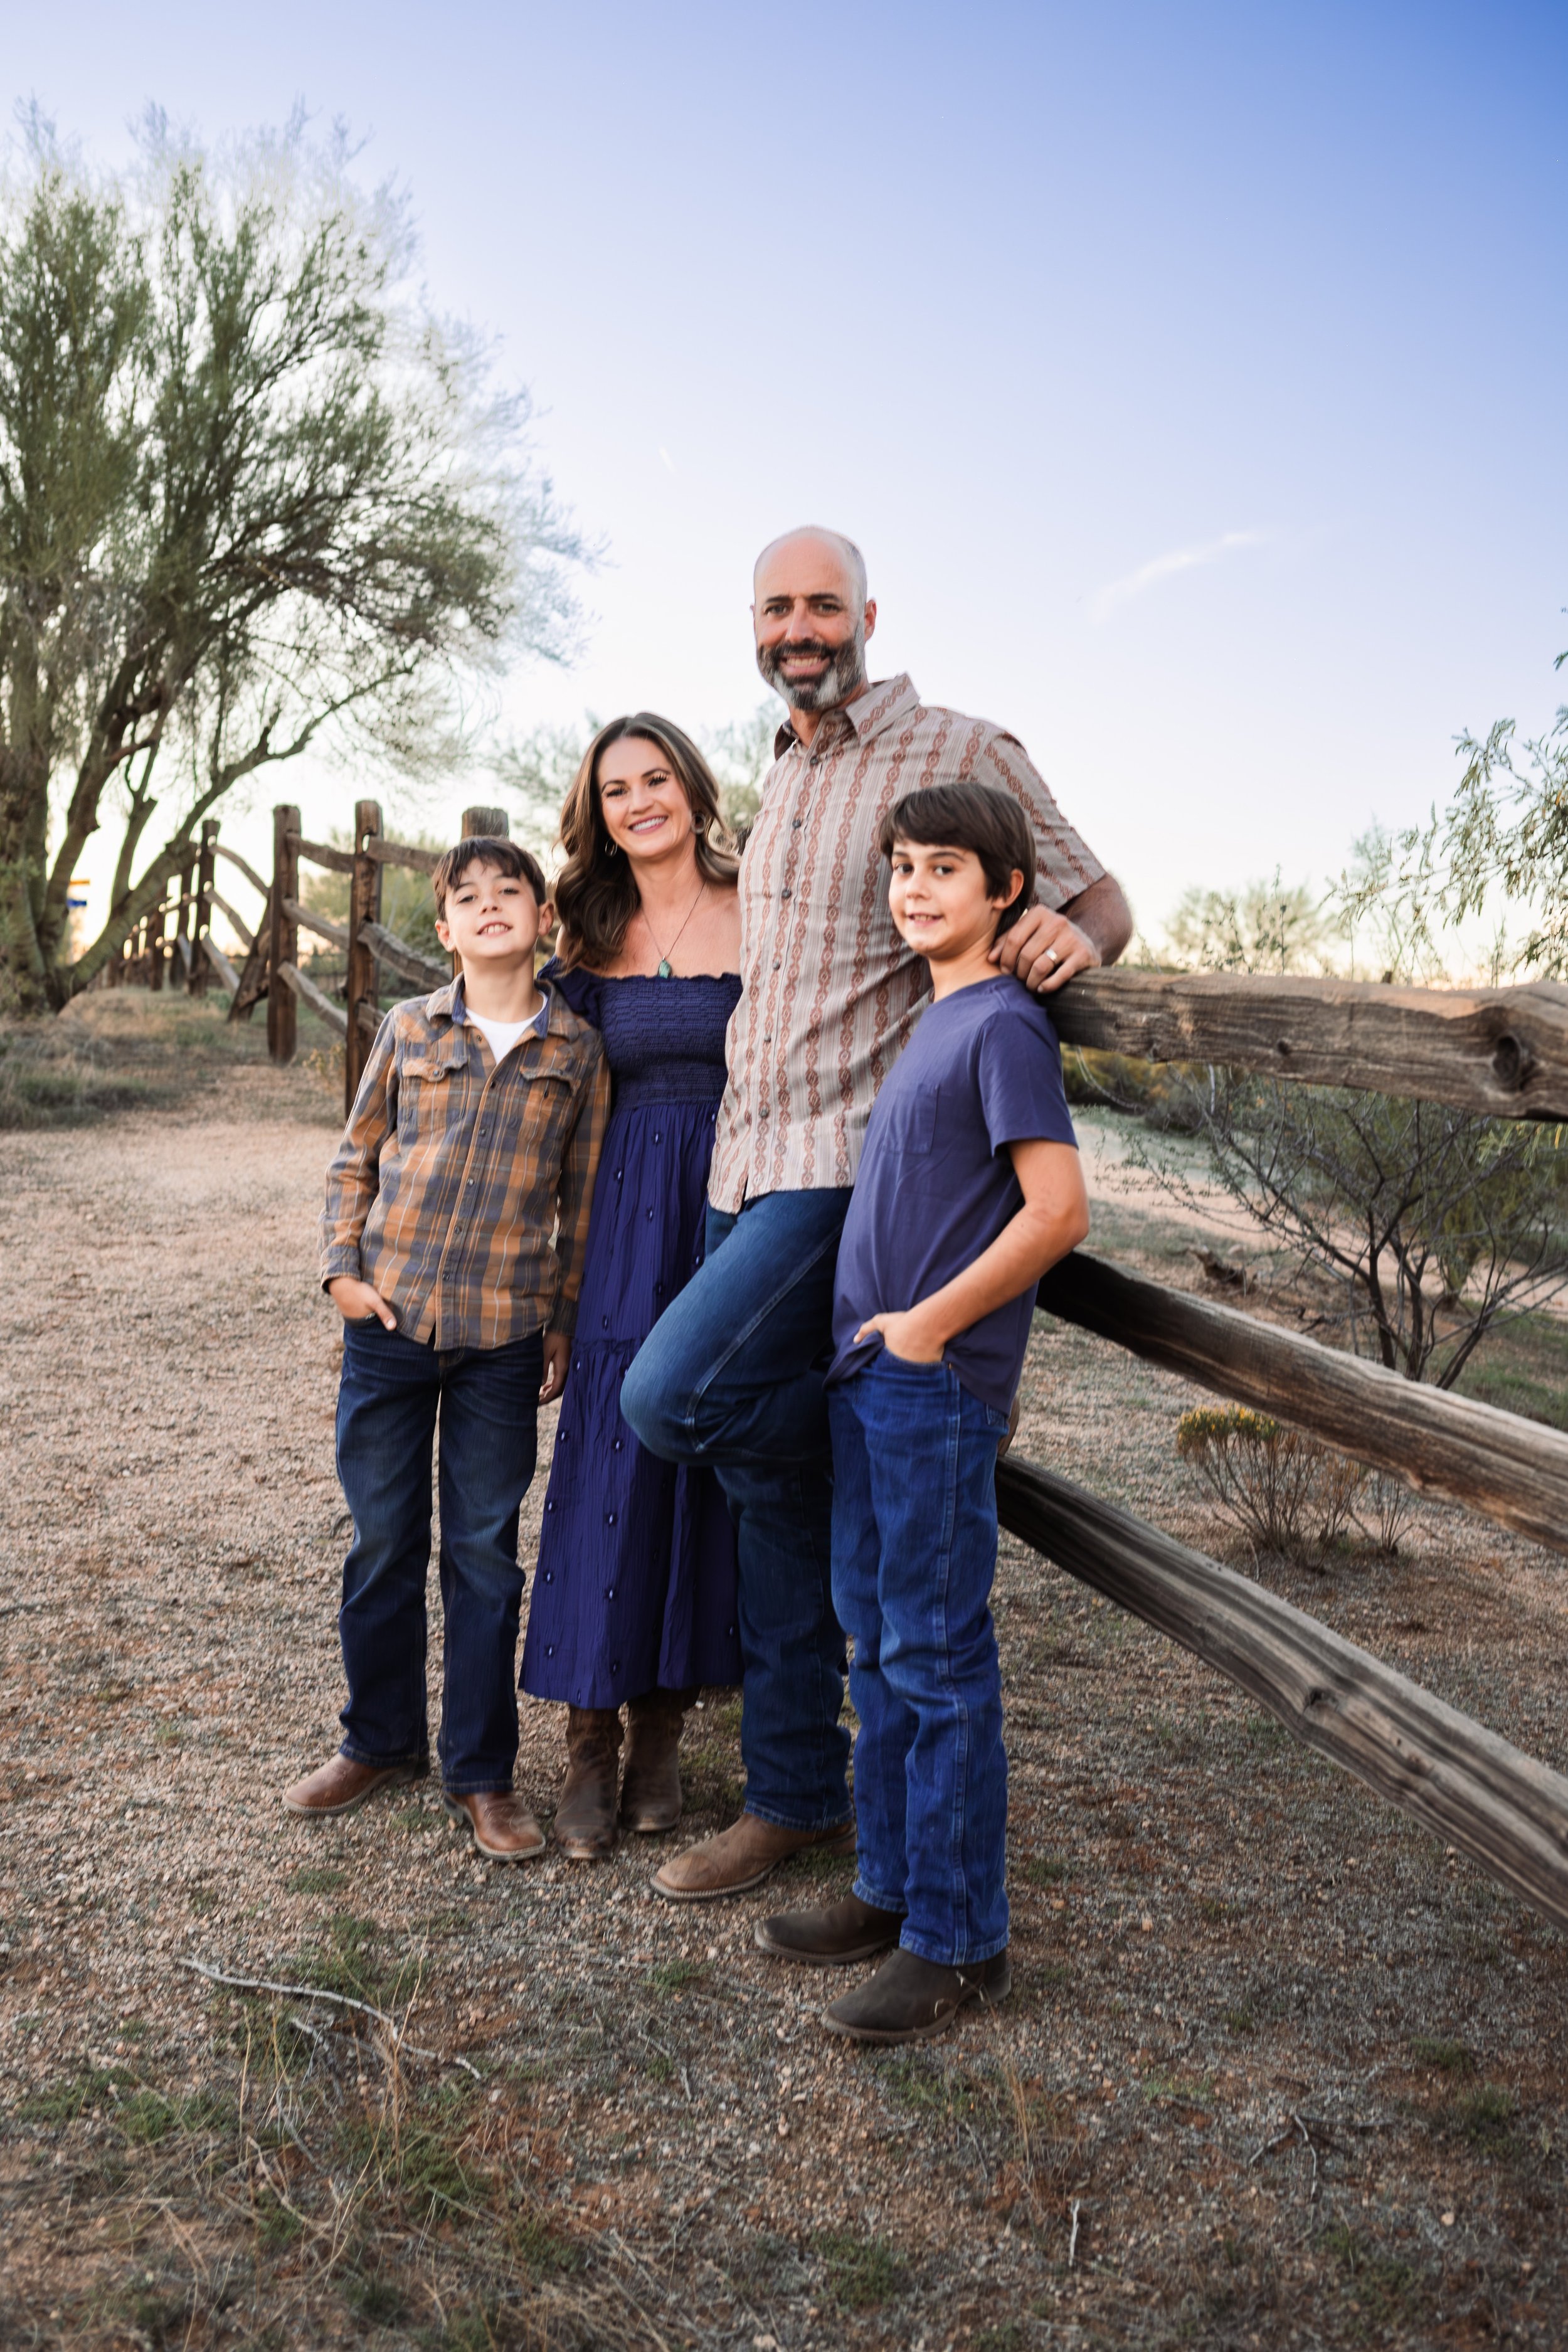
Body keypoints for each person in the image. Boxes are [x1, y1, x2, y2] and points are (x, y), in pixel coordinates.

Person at [621, 526, 1131, 1901]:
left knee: (671, 1403)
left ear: (866, 613)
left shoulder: (957, 747)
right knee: (764, 1497)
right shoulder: (780, 773)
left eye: (821, 603)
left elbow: (1094, 891)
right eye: (776, 606)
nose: (800, 626)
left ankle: (861, 1438)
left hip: (844, 1172)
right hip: (740, 1162)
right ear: (755, 622)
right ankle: (795, 1791)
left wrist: (1076, 940)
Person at [755, 781, 1089, 2041]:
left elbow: (1056, 1213)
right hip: (869, 1378)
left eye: (943, 867)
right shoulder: (932, 1021)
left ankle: (959, 1941)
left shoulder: (1003, 1025)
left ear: (1005, 892)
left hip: (930, 1386)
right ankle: (890, 1889)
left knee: (937, 1659)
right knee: (876, 1640)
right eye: (901, 865)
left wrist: (931, 1329)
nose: (913, 886)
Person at [285, 838, 608, 1862]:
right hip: (391, 1324)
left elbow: (583, 1202)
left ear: (543, 918)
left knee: (482, 1554)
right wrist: (343, 1269)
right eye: (466, 897)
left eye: (509, 892)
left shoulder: (575, 1051)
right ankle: (377, 1738)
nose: (488, 907)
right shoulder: (407, 1026)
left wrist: (560, 1316)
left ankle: (482, 1772)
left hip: (503, 1337)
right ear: (446, 929)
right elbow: (355, 1157)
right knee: (383, 1539)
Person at [520, 715, 744, 1858]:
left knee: (701, 1469)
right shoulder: (585, 927)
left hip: (731, 1219)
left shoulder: (764, 904)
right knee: (606, 1468)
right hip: (617, 1226)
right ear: (597, 811)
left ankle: (664, 1735)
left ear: (693, 788)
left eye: (657, 778)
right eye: (617, 788)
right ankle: (588, 1743)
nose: (640, 800)